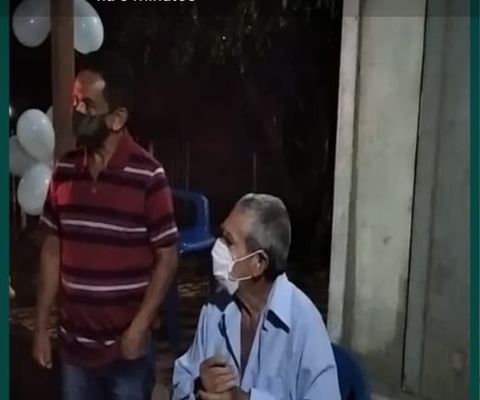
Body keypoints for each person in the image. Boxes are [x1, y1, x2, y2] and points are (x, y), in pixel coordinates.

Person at [32, 50, 179, 400]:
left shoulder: (149, 175)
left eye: (87, 105)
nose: (76, 112)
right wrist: (40, 328)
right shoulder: (64, 171)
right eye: (74, 101)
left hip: (126, 352)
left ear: (117, 119)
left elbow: (168, 257)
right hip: (74, 352)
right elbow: (52, 252)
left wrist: (139, 326)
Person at [173, 194, 341, 400]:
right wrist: (197, 385)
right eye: (221, 235)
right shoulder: (215, 309)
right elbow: (181, 379)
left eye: (228, 241)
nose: (217, 247)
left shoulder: (304, 323)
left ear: (259, 263)